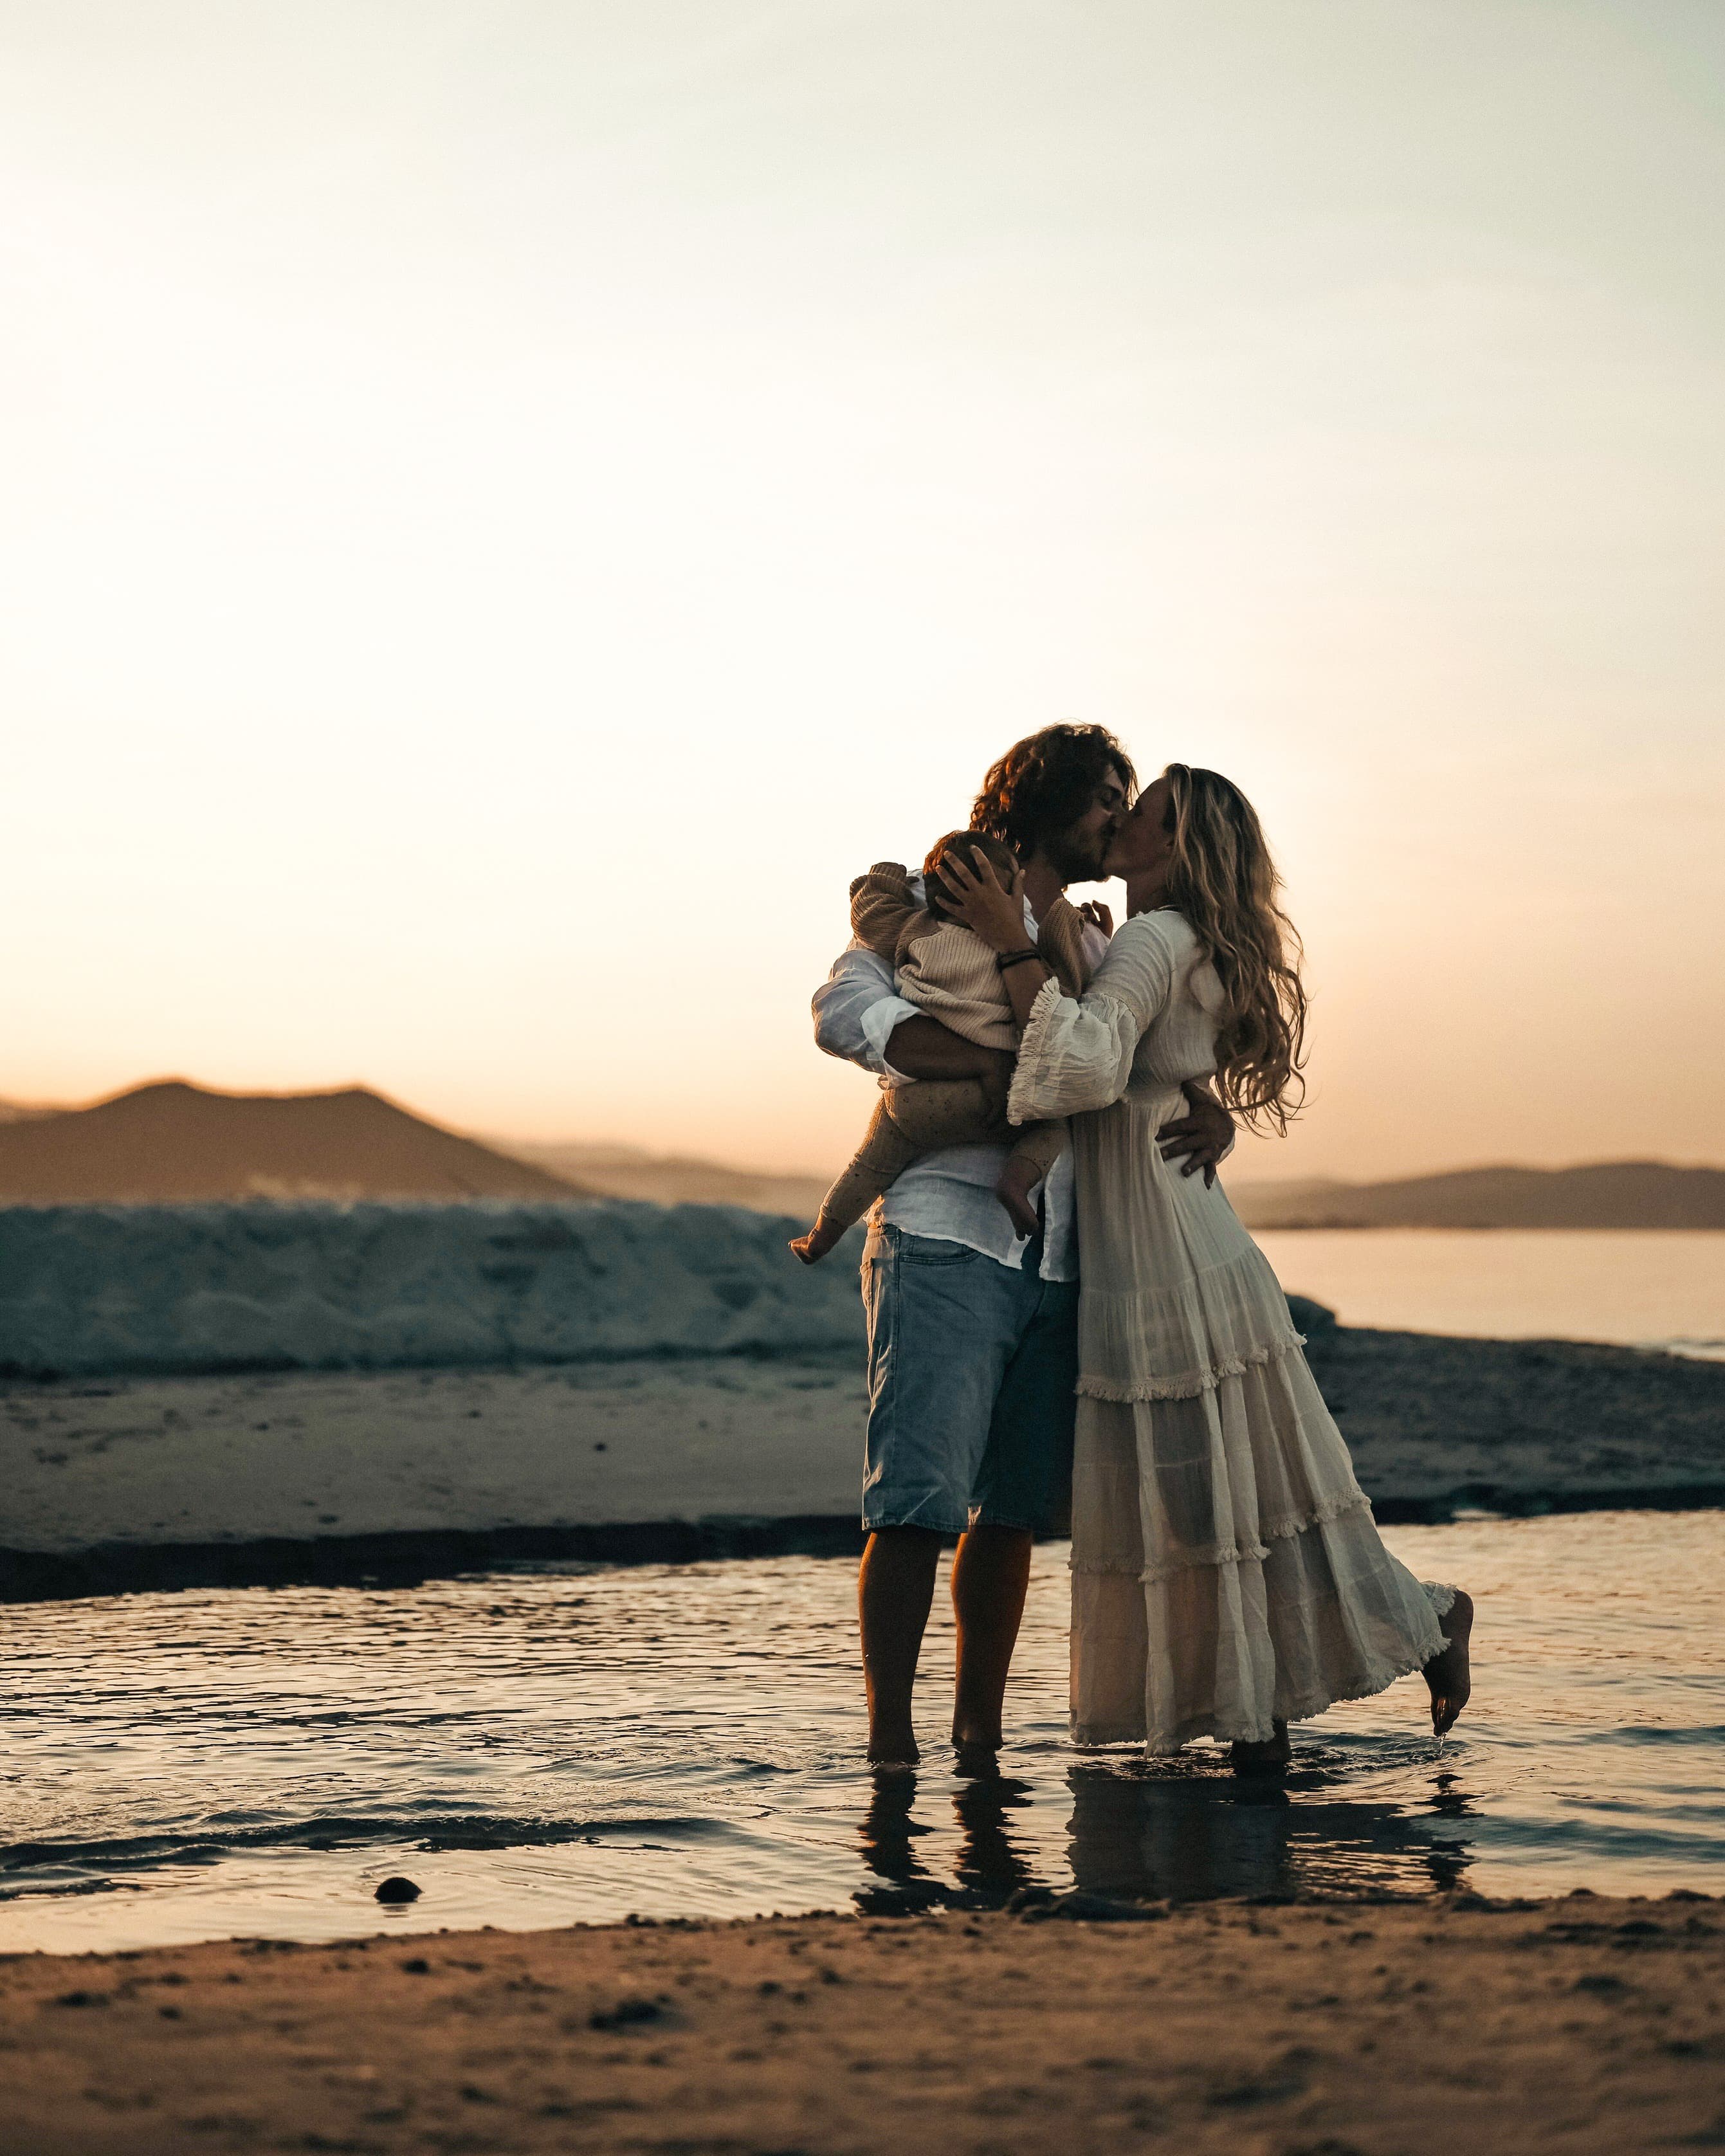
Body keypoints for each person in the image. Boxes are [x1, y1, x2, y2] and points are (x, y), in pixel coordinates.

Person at [940, 763, 1473, 1769]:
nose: (1118, 822)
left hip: (1162, 1252)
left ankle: (1332, 1679)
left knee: (1214, 1508)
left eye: (1137, 815)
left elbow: (1082, 1065)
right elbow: (1156, 1062)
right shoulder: (1180, 940)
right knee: (1231, 1508)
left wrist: (1012, 944)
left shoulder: (1153, 935)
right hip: (1180, 1233)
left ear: (1176, 846)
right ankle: (1270, 1716)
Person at [812, 724, 1236, 1763]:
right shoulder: (932, 889)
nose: (1118, 820)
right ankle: (888, 1748)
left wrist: (1209, 1108)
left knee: (1005, 1515)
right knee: (912, 1501)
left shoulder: (1093, 943)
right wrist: (1003, 1055)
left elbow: (1131, 1058)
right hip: (943, 1232)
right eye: (1105, 797)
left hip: (1061, 1258)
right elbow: (842, 1010)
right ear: (1042, 798)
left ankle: (979, 1744)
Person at [791, 831, 1092, 1264]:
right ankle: (1015, 1184)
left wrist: (884, 878)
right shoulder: (1020, 955)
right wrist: (1069, 922)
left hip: (920, 1103)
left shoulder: (914, 930)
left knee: (873, 1158)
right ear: (1010, 891)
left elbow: (871, 913)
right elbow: (1066, 991)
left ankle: (821, 1235)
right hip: (1010, 1100)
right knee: (1054, 1127)